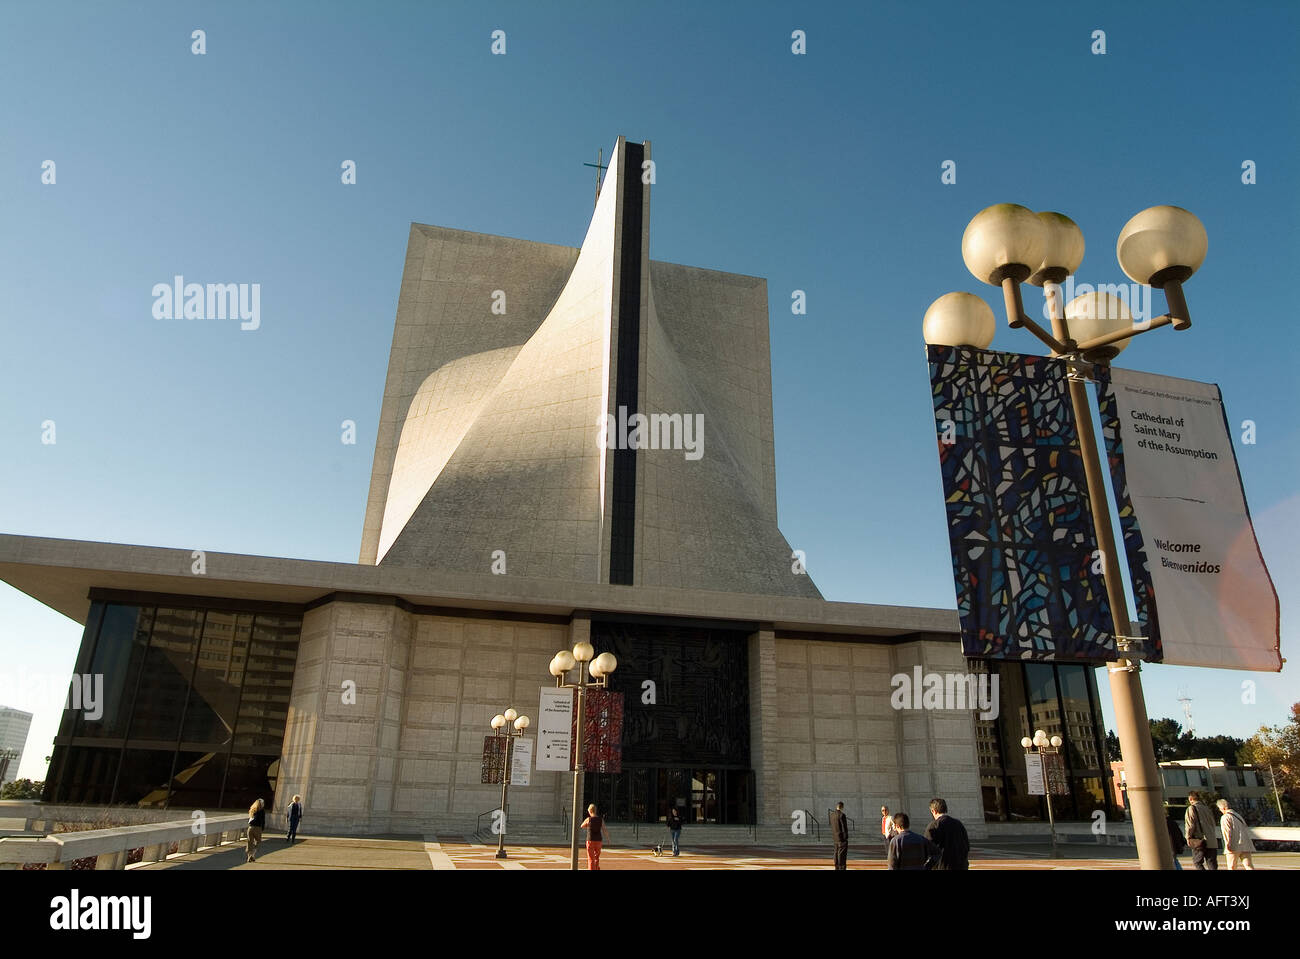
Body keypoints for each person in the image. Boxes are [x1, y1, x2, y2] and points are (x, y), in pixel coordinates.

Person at [924, 797, 971, 870]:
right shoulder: (958, 824)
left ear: (933, 811)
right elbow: (966, 846)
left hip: (942, 866)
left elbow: (926, 850)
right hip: (961, 865)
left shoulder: (933, 826)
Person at [1184, 791, 1219, 871]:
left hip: (1200, 840)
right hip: (1212, 840)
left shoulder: (1191, 808)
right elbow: (1213, 823)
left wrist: (1188, 837)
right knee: (1211, 863)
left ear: (1190, 799)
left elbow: (1190, 825)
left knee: (1197, 862)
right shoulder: (1207, 808)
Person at [1217, 799, 1255, 870]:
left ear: (1223, 808)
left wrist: (1228, 844)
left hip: (1234, 845)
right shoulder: (1238, 815)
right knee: (1248, 865)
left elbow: (1227, 832)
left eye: (1220, 809)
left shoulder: (1225, 817)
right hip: (1245, 843)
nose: (1220, 811)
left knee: (1232, 866)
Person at [579, 803, 607, 871]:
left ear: (590, 811)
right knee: (596, 857)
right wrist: (608, 838)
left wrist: (587, 825)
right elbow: (604, 829)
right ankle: (596, 868)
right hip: (598, 840)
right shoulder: (600, 819)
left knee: (591, 858)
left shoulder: (589, 819)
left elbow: (581, 826)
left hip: (590, 839)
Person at [830, 801, 850, 870]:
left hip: (835, 837)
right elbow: (844, 827)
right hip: (841, 838)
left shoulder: (832, 815)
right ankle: (841, 867)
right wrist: (846, 837)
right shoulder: (842, 815)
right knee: (842, 854)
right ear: (842, 807)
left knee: (836, 852)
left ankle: (837, 866)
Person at [246, 798, 266, 863]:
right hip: (257, 828)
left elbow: (250, 819)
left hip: (250, 827)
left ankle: (249, 856)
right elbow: (262, 821)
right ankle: (252, 855)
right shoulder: (262, 810)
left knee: (250, 842)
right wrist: (262, 828)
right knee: (258, 842)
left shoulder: (252, 809)